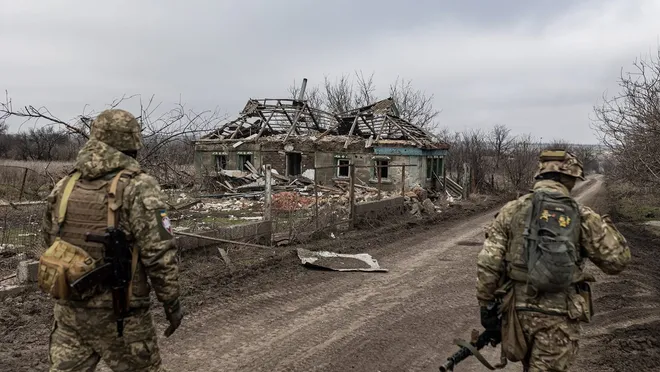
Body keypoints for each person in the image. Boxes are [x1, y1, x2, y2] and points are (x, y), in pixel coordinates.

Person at [40, 109, 183, 372]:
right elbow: (160, 254)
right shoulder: (140, 187)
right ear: (132, 143)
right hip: (122, 316)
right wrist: (171, 303)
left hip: (70, 313)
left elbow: (49, 243)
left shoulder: (65, 186)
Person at [476, 149, 631, 372]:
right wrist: (607, 228)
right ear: (569, 180)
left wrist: (487, 306)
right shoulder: (581, 214)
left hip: (517, 313)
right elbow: (617, 261)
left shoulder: (511, 210)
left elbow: (488, 261)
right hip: (559, 317)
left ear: (539, 176)